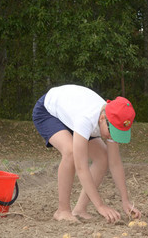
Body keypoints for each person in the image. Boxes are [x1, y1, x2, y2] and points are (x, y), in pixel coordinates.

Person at [32, 84, 141, 223]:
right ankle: (62, 210)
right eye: (112, 132)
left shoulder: (112, 119)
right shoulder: (86, 118)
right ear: (103, 119)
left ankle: (80, 209)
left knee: (103, 157)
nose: (112, 137)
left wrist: (125, 201)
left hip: (72, 114)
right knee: (71, 152)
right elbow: (81, 167)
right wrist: (100, 206)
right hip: (48, 112)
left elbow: (115, 163)